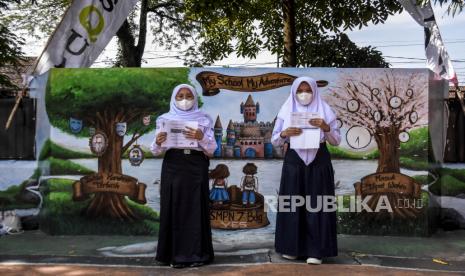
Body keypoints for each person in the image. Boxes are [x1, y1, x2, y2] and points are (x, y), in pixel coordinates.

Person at [272, 76, 341, 265]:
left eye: (308, 90)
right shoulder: (286, 110)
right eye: (300, 91)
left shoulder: (325, 110)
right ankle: (291, 248)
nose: (304, 94)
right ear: (294, 92)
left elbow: (336, 140)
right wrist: (285, 134)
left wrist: (325, 127)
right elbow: (275, 140)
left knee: (317, 203)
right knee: (293, 202)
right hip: (294, 160)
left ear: (314, 91)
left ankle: (316, 251)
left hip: (319, 159)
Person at [150, 84, 217, 268]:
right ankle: (173, 256)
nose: (185, 99)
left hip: (197, 165)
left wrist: (201, 136)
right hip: (173, 164)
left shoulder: (204, 119)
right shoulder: (164, 119)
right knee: (173, 206)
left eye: (188, 95)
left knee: (196, 208)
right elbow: (155, 151)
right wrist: (157, 141)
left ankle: (198, 255)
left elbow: (212, 150)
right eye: (180, 96)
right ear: (174, 98)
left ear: (195, 98)